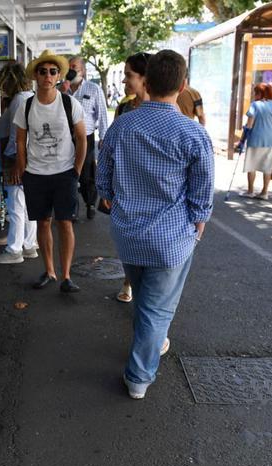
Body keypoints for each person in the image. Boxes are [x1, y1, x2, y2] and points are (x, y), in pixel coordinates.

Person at [97, 49, 214, 399]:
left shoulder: (123, 124)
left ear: (146, 82)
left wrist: (111, 196)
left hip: (128, 234)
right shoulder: (192, 133)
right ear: (182, 85)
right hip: (172, 237)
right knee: (155, 308)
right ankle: (138, 377)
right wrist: (200, 217)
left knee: (146, 301)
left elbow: (103, 176)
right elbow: (203, 186)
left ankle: (148, 347)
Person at [14, 50, 87, 292]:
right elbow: (20, 141)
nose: (48, 75)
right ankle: (49, 270)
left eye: (53, 71)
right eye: (43, 71)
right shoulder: (26, 106)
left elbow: (81, 138)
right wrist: (23, 170)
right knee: (43, 223)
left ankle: (66, 275)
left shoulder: (69, 103)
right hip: (35, 174)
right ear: (35, 75)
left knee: (65, 223)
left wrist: (76, 169)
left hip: (64, 172)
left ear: (58, 76)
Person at [113, 51, 151, 304]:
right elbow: (113, 150)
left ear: (145, 78)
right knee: (128, 246)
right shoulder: (124, 108)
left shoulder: (168, 107)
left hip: (154, 193)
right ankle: (129, 282)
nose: (125, 81)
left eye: (129, 75)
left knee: (151, 250)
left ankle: (148, 302)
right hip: (127, 193)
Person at [0, 62, 39, 264]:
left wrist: (13, 162)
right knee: (26, 205)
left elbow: (16, 136)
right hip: (28, 159)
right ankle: (28, 244)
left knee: (16, 205)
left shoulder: (19, 100)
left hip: (18, 159)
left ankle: (14, 250)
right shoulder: (28, 98)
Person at [67, 56, 109, 219]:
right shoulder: (62, 89)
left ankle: (90, 202)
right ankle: (72, 207)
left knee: (86, 174)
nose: (71, 70)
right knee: (67, 173)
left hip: (86, 137)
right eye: (69, 67)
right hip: (65, 138)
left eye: (74, 67)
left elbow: (103, 114)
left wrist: (103, 137)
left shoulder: (93, 89)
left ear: (83, 70)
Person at [235, 83, 272, 201]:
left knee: (251, 166)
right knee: (267, 167)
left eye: (255, 92)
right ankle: (264, 192)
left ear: (260, 93)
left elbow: (249, 125)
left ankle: (250, 191)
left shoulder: (255, 105)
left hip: (255, 140)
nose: (254, 95)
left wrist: (241, 141)